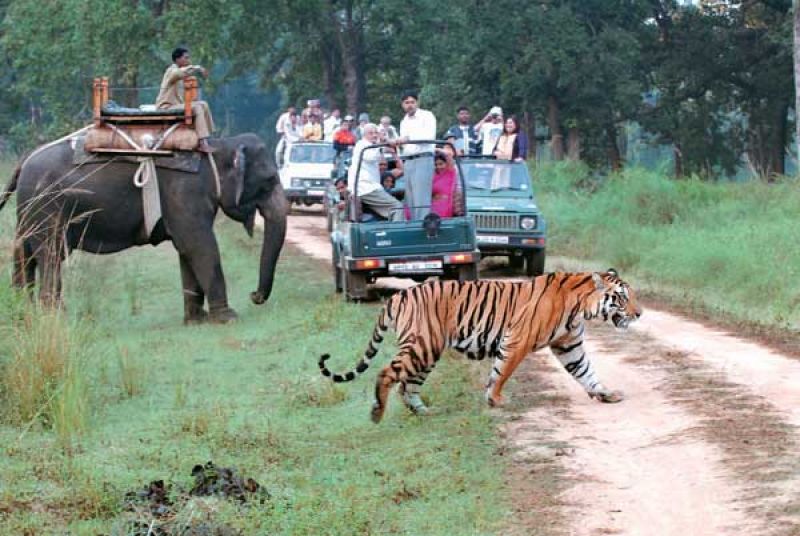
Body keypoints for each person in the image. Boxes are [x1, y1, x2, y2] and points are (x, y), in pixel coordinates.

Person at [156, 46, 215, 153]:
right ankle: (202, 143)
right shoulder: (171, 71)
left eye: (188, 58)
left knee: (203, 104)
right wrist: (197, 68)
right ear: (178, 59)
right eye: (186, 58)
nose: (188, 60)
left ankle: (208, 137)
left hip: (177, 105)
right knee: (197, 107)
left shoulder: (183, 76)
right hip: (166, 107)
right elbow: (179, 73)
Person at [395, 89, 437, 220]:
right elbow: (404, 144)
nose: (410, 105)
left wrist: (407, 138)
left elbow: (429, 136)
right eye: (406, 102)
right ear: (402, 105)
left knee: (421, 198)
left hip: (423, 158)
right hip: (409, 161)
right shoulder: (404, 121)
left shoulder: (427, 115)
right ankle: (415, 225)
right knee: (411, 198)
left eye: (412, 102)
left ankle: (423, 229)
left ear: (417, 102)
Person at [349, 123, 404, 221]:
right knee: (397, 207)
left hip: (371, 187)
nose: (374, 135)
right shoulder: (363, 145)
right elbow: (371, 157)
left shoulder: (373, 146)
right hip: (366, 188)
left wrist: (390, 145)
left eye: (376, 133)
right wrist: (382, 143)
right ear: (364, 135)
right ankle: (397, 234)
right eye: (371, 133)